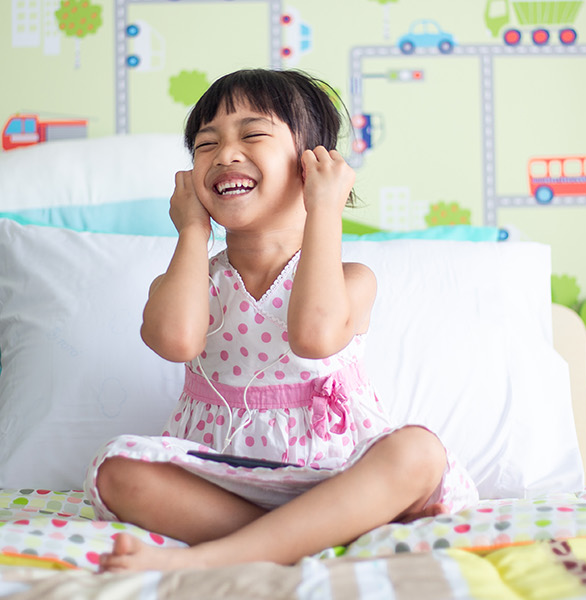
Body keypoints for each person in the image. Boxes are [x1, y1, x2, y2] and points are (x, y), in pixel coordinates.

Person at [83, 69, 478, 572]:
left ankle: (213, 558)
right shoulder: (191, 280)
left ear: (312, 164)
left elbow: (314, 337)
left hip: (337, 475)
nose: (225, 154)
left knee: (418, 452)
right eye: (207, 144)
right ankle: (320, 538)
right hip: (224, 479)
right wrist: (191, 233)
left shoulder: (351, 279)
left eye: (251, 134)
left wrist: (326, 211)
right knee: (119, 470)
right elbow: (177, 340)